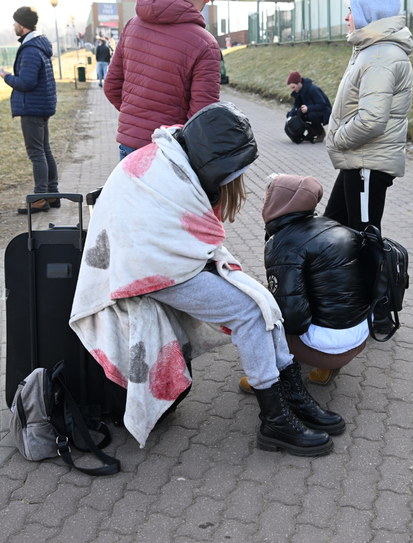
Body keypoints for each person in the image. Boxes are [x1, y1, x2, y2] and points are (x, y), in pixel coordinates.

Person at [69, 103, 345, 456]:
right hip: (143, 270)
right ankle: (275, 421)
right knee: (249, 312)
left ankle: (292, 396)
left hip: (159, 257)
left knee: (262, 300)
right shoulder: (173, 174)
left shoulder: (173, 157)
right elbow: (162, 246)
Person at [237, 174, 370, 391]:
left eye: (266, 198)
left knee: (257, 313)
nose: (263, 203)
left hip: (328, 349)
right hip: (359, 336)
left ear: (280, 202)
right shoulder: (330, 224)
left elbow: (294, 319)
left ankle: (266, 379)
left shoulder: (285, 244)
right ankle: (326, 367)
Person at [323, 0, 413, 232]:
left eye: (351, 12)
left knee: (364, 242)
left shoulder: (381, 56)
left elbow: (372, 120)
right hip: (358, 161)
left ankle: (376, 271)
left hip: (367, 165)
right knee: (333, 230)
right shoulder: (370, 51)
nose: (346, 18)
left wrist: (336, 138)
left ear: (367, 14)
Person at [104, 0, 221, 161]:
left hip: (130, 147)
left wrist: (138, 119)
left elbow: (111, 86)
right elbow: (202, 116)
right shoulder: (205, 43)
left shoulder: (132, 25)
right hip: (171, 150)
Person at [0, 6, 59, 215]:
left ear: (22, 25)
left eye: (15, 22)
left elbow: (27, 82)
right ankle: (52, 193)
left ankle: (40, 198)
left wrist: (5, 77)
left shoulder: (30, 49)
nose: (13, 26)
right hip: (41, 105)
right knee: (44, 150)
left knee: (36, 153)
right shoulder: (39, 45)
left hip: (32, 107)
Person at [285, 72, 331, 143]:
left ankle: (320, 132)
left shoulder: (313, 89)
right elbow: (296, 106)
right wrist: (290, 117)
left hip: (325, 112)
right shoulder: (298, 92)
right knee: (295, 115)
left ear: (299, 83)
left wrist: (308, 108)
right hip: (311, 111)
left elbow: (323, 104)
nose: (293, 90)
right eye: (291, 88)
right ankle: (312, 131)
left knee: (310, 115)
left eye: (293, 87)